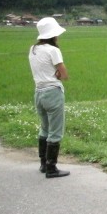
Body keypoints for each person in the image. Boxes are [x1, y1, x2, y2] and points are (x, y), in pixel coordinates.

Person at [28, 17, 71, 178]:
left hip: (38, 93)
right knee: (55, 131)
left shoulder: (33, 49)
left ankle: (43, 164)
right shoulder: (53, 50)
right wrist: (58, 74)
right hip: (53, 92)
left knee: (44, 128)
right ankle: (51, 168)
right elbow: (64, 74)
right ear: (53, 35)